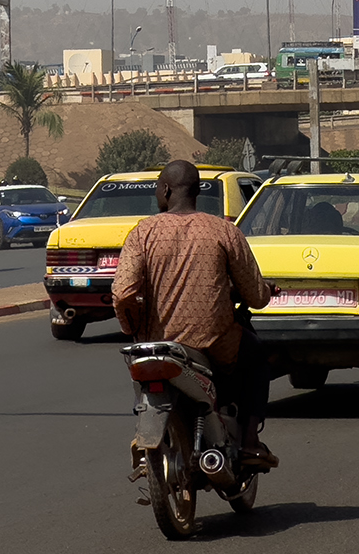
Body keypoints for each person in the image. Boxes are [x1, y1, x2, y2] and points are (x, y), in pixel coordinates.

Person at [112, 160, 279, 468]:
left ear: (165, 190)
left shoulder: (142, 233)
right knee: (257, 357)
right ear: (197, 191)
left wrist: (133, 328)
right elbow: (256, 297)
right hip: (215, 345)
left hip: (157, 345)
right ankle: (250, 443)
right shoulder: (224, 231)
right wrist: (264, 291)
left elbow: (123, 293)